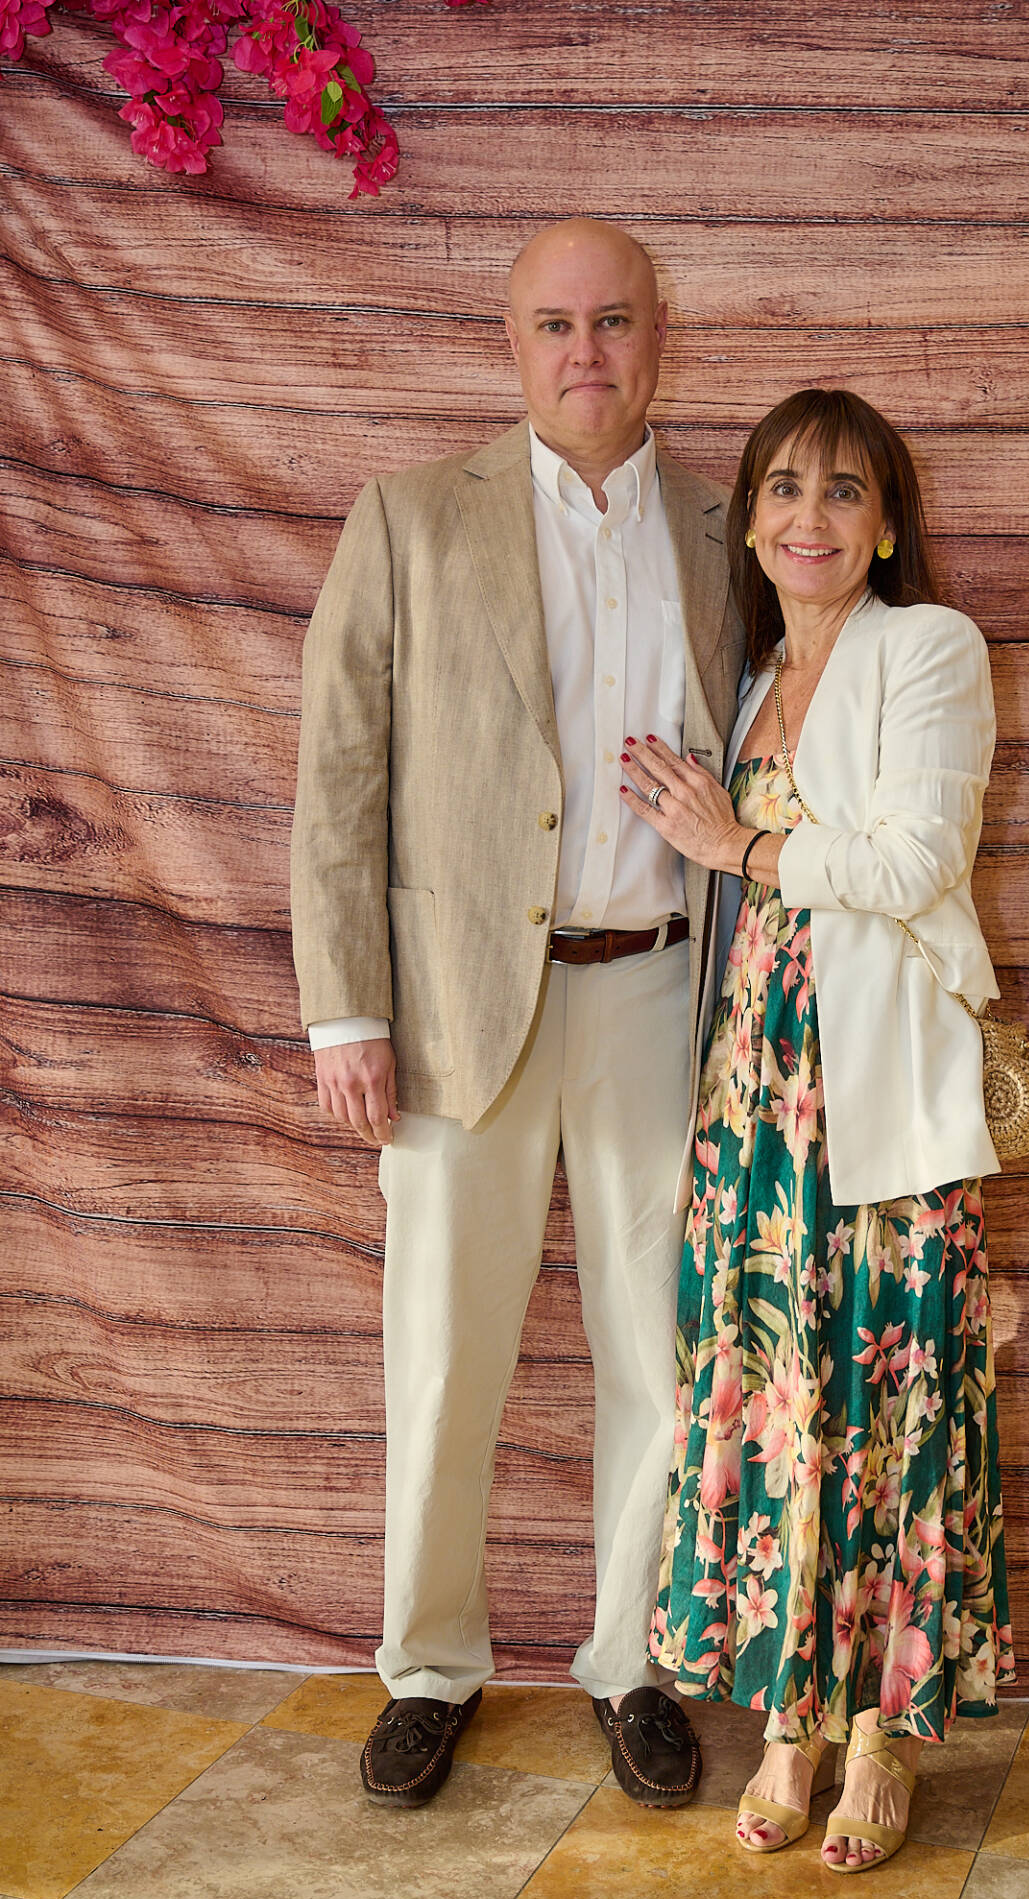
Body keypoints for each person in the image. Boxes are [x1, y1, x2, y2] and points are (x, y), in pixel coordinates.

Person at [290, 218, 744, 1811]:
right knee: (441, 1356)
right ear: (511, 340)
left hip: (662, 995)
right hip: (454, 1009)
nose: (586, 352)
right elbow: (339, 775)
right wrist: (345, 1012)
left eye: (614, 320)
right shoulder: (411, 518)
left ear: (662, 335)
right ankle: (427, 1667)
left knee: (664, 1357)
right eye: (555, 323)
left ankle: (634, 1661)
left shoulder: (730, 527)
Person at [617, 387, 1016, 1873]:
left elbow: (918, 858)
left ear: (888, 524)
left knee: (888, 1404)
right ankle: (790, 1721)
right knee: (779, 1401)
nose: (809, 517)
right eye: (784, 488)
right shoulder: (747, 681)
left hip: (878, 1098)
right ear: (751, 520)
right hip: (755, 1103)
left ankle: (879, 1741)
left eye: (845, 491)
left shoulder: (930, 647)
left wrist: (740, 842)